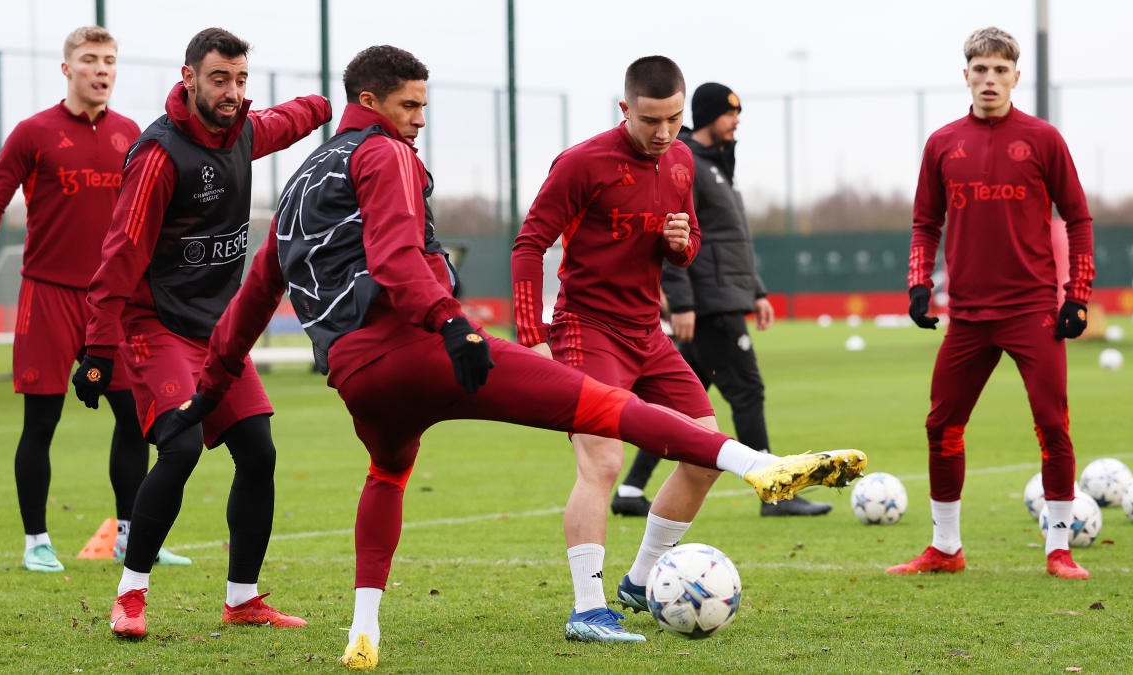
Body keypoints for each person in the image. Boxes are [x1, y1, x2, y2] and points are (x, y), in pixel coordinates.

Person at [154, 45, 864, 669]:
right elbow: (407, 257)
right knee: (611, 419)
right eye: (411, 106)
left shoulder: (301, 184)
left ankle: (363, 630)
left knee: (387, 473)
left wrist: (206, 391)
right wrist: (459, 324)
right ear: (370, 102)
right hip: (435, 345)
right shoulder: (387, 153)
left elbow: (249, 301)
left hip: (356, 377)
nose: (421, 120)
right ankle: (758, 467)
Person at [511, 56, 859, 643]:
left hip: (648, 332)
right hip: (586, 328)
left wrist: (680, 243)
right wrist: (530, 332)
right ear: (625, 109)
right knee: (602, 462)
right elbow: (530, 243)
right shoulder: (581, 163)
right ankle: (588, 609)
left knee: (703, 453)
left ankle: (639, 581)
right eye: (651, 120)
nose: (665, 132)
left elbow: (688, 243)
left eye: (674, 118)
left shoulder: (679, 161)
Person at [72, 27, 332, 637]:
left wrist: (335, 104)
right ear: (188, 77)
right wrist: (96, 350)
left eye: (242, 80)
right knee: (182, 447)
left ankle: (242, 599)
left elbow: (291, 119)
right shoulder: (160, 156)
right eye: (220, 79)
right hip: (155, 325)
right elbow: (120, 257)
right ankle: (130, 597)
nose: (234, 92)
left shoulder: (241, 129)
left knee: (259, 453)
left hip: (216, 331)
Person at [0, 26, 190, 573]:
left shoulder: (134, 133)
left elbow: (157, 214)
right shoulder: (33, 133)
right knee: (40, 424)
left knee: (133, 419)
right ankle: (36, 540)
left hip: (112, 302)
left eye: (109, 61)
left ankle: (131, 536)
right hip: (46, 297)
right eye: (90, 60)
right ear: (67, 69)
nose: (101, 70)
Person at [892, 27, 1094, 580]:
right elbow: (924, 222)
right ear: (966, 75)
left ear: (1015, 77)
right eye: (980, 69)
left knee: (1053, 426)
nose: (989, 79)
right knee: (942, 426)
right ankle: (945, 548)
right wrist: (918, 284)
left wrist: (1076, 295)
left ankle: (1059, 549)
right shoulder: (943, 143)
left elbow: (1078, 218)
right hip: (969, 317)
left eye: (1000, 70)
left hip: (1033, 312)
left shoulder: (1043, 139)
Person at [611, 83, 832, 518]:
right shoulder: (686, 161)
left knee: (684, 404)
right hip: (709, 303)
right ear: (711, 116)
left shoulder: (716, 166)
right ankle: (777, 490)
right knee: (747, 390)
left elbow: (733, 240)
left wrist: (758, 290)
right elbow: (673, 233)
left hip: (725, 295)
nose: (737, 121)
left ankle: (633, 490)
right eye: (730, 113)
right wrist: (682, 301)